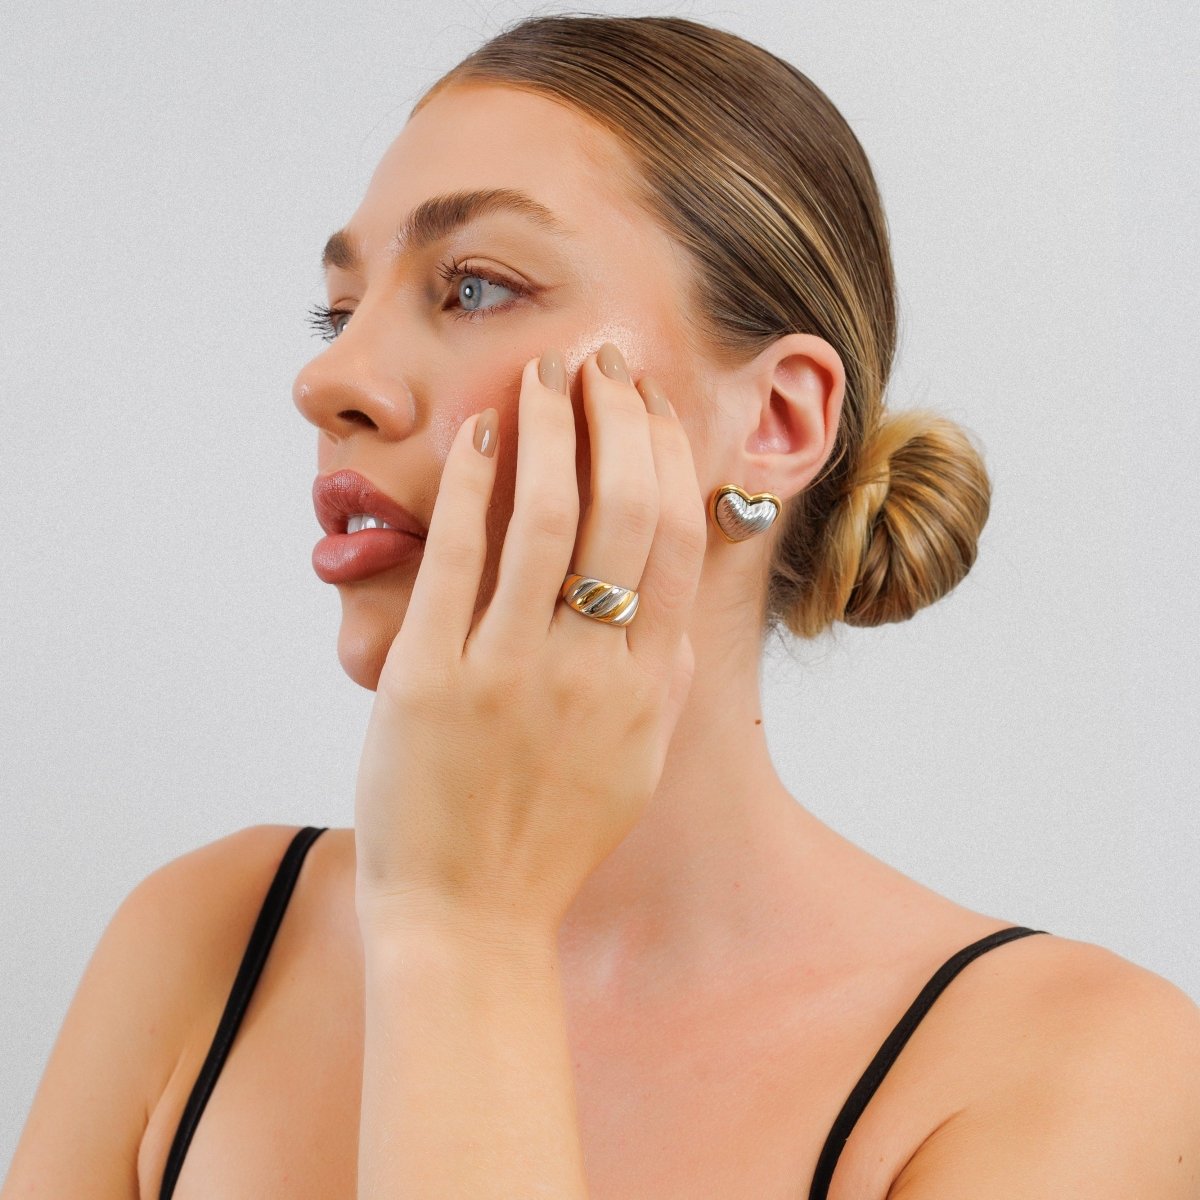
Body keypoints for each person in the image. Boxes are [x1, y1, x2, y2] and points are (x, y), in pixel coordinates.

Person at [5, 13, 1198, 1199]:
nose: (329, 379)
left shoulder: (1072, 1072)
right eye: (339, 311)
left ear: (776, 421)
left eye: (475, 286)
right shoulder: (204, 948)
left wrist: (469, 931)